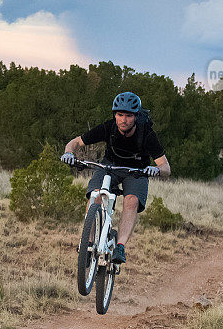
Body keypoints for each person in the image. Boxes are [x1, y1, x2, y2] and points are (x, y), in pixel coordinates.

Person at [60, 91, 171, 264]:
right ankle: (88, 245)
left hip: (137, 171)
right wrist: (68, 153)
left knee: (132, 200)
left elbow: (166, 168)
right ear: (115, 114)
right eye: (120, 115)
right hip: (109, 166)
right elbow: (75, 142)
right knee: (95, 195)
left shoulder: (147, 134)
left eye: (128, 115)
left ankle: (120, 246)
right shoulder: (109, 127)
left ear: (136, 116)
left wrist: (155, 170)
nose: (123, 120)